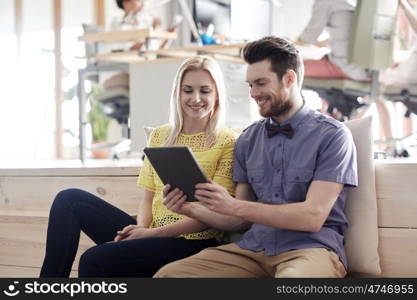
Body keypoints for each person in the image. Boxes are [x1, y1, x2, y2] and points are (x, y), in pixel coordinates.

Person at [155, 36, 358, 278]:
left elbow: (312, 217)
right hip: (251, 250)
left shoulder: (333, 136)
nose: (253, 93)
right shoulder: (248, 139)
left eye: (260, 83)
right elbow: (238, 222)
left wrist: (235, 206)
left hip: (310, 249)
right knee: (169, 276)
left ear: (289, 79)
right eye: (250, 85)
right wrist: (189, 208)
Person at [40, 55, 237, 277]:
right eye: (188, 90)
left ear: (217, 95)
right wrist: (141, 228)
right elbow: (148, 198)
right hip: (152, 232)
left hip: (195, 242)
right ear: (177, 93)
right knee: (69, 199)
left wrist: (151, 235)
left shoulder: (227, 141)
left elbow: (216, 213)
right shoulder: (160, 135)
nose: (196, 98)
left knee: (94, 259)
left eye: (205, 90)